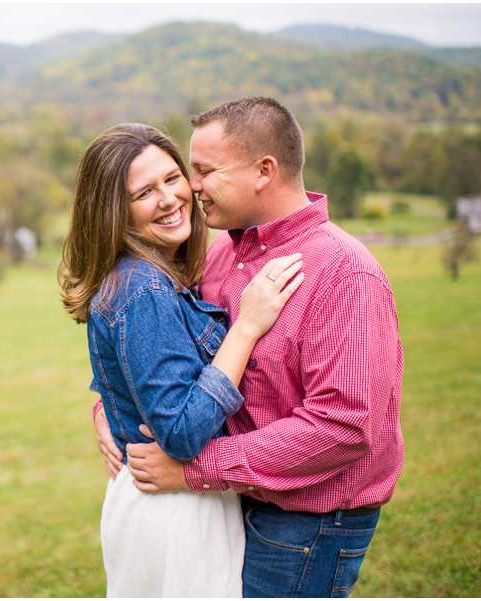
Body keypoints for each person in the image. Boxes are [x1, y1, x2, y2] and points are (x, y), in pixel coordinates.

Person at [93, 97, 405, 598]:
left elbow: (343, 427)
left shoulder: (344, 273)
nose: (190, 188)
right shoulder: (222, 256)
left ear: (264, 171)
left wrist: (196, 468)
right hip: (240, 500)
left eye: (203, 171)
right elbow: (165, 354)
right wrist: (113, 408)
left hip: (306, 520)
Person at [60, 122, 304, 597]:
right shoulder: (144, 288)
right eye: (144, 192)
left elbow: (132, 372)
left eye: (173, 178)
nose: (170, 198)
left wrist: (108, 409)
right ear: (115, 212)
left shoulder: (145, 278)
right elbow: (181, 432)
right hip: (176, 511)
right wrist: (246, 328)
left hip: (169, 503)